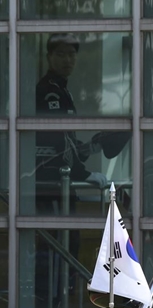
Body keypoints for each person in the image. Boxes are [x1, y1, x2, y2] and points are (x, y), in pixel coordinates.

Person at [35, 33, 108, 215]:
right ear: (49, 57)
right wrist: (83, 174)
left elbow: (67, 139)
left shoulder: (62, 90)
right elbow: (57, 138)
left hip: (60, 179)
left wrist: (88, 148)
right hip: (50, 179)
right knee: (57, 238)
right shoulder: (49, 91)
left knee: (68, 239)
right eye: (60, 54)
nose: (67, 59)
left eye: (71, 54)